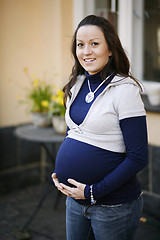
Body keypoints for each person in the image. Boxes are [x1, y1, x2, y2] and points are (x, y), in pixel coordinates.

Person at [52, 15, 148, 240]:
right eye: (80, 44)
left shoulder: (124, 90)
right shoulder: (77, 84)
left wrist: (93, 191)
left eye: (94, 43)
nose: (86, 51)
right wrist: (62, 173)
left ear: (111, 49)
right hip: (74, 201)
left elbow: (139, 157)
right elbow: (74, 133)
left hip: (113, 207)